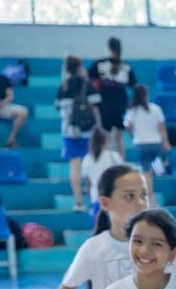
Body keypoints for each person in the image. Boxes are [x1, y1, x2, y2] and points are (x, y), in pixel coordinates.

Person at [56, 54, 102, 211]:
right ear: (79, 67)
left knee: (74, 167)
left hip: (69, 131)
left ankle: (78, 202)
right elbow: (95, 107)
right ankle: (91, 196)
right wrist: (98, 127)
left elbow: (58, 108)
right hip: (87, 131)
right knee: (90, 164)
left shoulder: (63, 86)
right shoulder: (86, 84)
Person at [88, 36, 135, 158]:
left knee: (106, 138)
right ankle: (122, 163)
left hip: (106, 103)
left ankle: (108, 164)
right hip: (121, 104)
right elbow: (133, 84)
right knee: (119, 139)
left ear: (108, 48)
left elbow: (89, 78)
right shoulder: (126, 66)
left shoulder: (100, 64)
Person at [123, 84, 169, 201]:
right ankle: (158, 170)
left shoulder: (132, 111)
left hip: (141, 143)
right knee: (156, 165)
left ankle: (151, 197)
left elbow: (128, 125)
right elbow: (161, 127)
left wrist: (133, 134)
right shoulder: (156, 108)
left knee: (146, 172)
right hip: (156, 143)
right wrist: (165, 142)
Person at [81, 127, 123, 221]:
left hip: (96, 197)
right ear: (106, 140)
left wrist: (90, 194)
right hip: (113, 197)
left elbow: (87, 183)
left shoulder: (87, 159)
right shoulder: (114, 156)